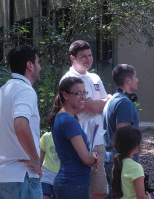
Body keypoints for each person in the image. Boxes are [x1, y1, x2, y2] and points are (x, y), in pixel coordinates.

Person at [0, 45, 43, 199]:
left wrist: (8, 148)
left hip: (1, 178)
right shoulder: (25, 90)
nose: (40, 67)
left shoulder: (1, 92)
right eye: (38, 62)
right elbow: (21, 125)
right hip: (22, 177)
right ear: (30, 65)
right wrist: (36, 162)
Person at [60, 40, 110, 199]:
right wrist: (102, 102)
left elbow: (105, 107)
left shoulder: (95, 77)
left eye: (90, 55)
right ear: (72, 58)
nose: (88, 59)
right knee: (79, 191)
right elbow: (95, 107)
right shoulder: (69, 80)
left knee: (98, 191)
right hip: (78, 143)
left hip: (98, 142)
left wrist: (100, 103)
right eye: (83, 56)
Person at [48, 76, 98, 199]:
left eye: (84, 92)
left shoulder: (62, 118)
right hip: (73, 184)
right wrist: (95, 160)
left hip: (71, 183)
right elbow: (86, 158)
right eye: (78, 93)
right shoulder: (68, 121)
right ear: (65, 95)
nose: (83, 97)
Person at [103, 64, 140, 199]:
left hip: (112, 159)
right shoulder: (124, 103)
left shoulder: (112, 100)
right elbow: (124, 137)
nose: (138, 80)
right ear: (128, 80)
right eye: (135, 77)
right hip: (122, 161)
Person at [112, 126, 151, 199]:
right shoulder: (136, 167)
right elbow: (141, 197)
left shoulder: (116, 163)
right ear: (135, 145)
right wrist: (149, 197)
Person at [40, 131, 60, 199]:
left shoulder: (71, 138)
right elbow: (40, 159)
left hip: (62, 176)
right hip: (46, 175)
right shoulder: (46, 136)